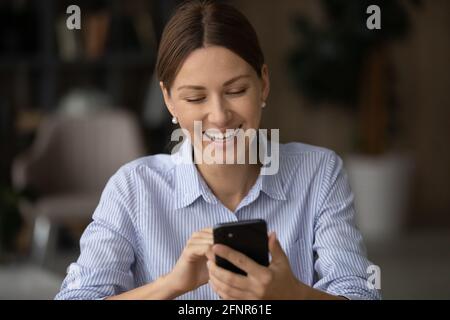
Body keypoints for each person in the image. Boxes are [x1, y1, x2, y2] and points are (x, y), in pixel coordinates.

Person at [56, 0, 381, 300]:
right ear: (168, 99)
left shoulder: (319, 172)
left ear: (263, 83)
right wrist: (171, 285)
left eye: (236, 90)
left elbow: (363, 294)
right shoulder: (132, 188)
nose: (220, 116)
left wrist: (293, 294)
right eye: (196, 98)